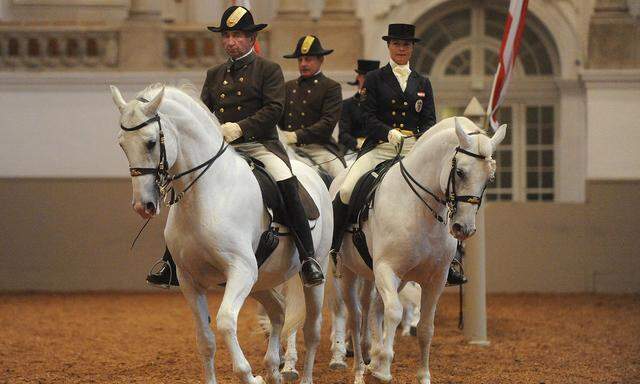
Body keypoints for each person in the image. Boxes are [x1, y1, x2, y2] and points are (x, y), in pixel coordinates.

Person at [146, 5, 324, 288]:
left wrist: (241, 127)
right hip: (222, 150)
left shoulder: (269, 70)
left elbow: (275, 109)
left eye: (238, 35)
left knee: (286, 181)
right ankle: (171, 260)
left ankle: (307, 257)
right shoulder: (215, 74)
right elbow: (203, 115)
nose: (231, 41)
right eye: (227, 35)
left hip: (260, 146)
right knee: (184, 187)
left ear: (252, 39)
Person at [330, 23, 467, 286]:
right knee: (346, 190)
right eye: (396, 44)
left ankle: (450, 260)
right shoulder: (374, 79)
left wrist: (421, 140)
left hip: (414, 151)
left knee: (444, 191)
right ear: (389, 47)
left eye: (406, 45)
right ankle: (335, 248)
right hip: (380, 147)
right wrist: (387, 132)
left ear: (412, 48)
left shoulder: (422, 82)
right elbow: (367, 117)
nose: (401, 49)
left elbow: (430, 121)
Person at [279, 35, 345, 178]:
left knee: (342, 181)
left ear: (320, 60)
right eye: (300, 59)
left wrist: (296, 135)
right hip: (289, 148)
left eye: (308, 59)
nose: (303, 64)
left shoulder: (331, 87)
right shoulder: (288, 87)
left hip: (319, 149)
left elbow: (327, 123)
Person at [339, 59, 380, 153]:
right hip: (353, 150)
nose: (369, 81)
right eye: (366, 77)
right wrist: (357, 143)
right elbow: (343, 134)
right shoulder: (347, 104)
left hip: (377, 149)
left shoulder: (383, 104)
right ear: (358, 77)